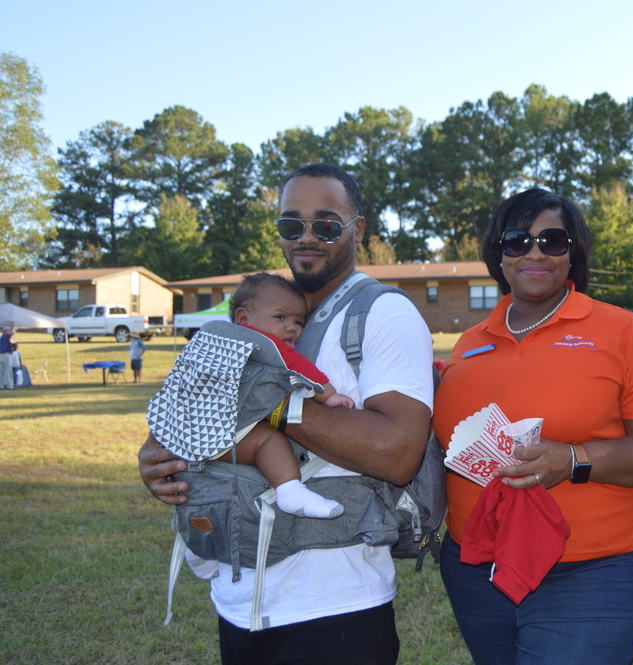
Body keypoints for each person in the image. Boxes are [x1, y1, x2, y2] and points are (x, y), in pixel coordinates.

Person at [138, 163, 434, 665]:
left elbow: (398, 452)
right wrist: (159, 458)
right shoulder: (267, 311)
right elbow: (190, 409)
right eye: (290, 224)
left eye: (326, 223)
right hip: (238, 600)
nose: (307, 237)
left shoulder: (384, 313)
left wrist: (266, 403)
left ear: (357, 228)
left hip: (335, 608)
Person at [432, 188, 633, 665]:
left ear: (573, 254)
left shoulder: (618, 329)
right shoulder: (470, 343)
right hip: (476, 567)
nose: (534, 252)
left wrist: (572, 460)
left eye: (553, 241)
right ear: (499, 254)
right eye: (518, 240)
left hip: (590, 569)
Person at [152, 271, 354, 520]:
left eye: (299, 322)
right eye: (280, 317)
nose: (291, 327)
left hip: (182, 435)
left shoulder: (208, 339)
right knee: (268, 441)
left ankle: (199, 551)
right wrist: (329, 396)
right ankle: (290, 490)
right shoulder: (261, 342)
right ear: (243, 318)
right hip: (222, 435)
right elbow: (296, 364)